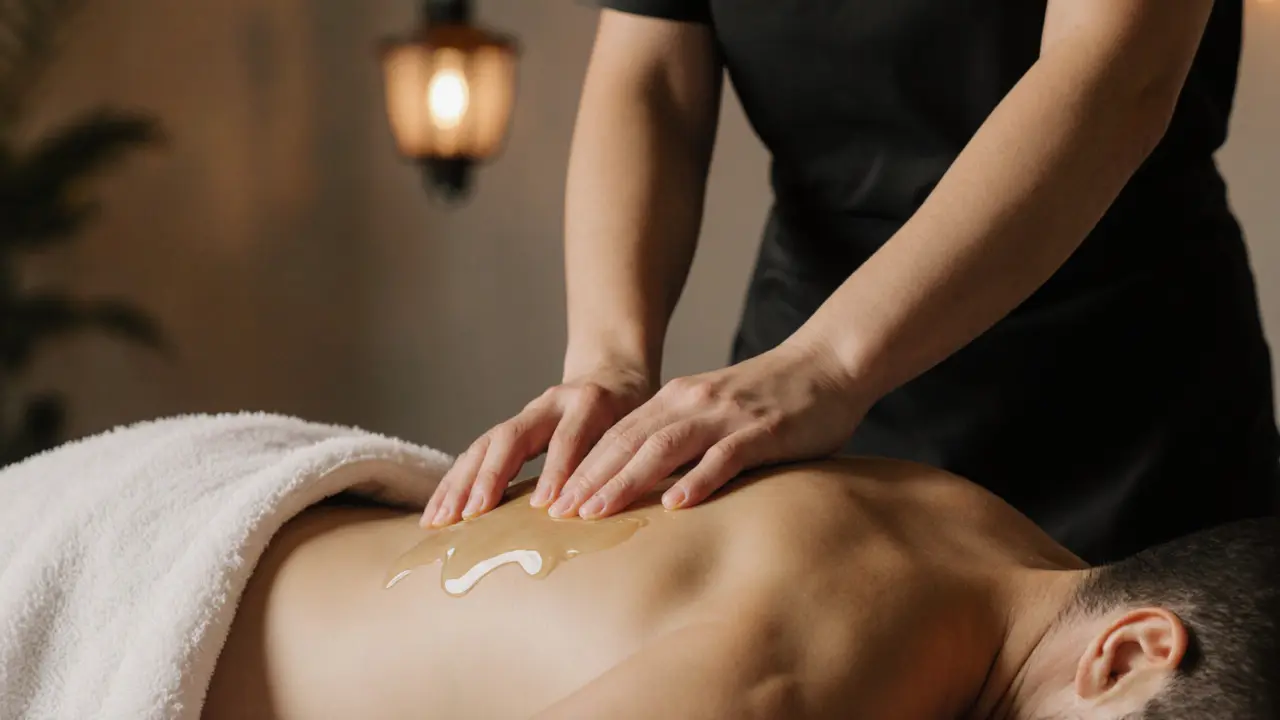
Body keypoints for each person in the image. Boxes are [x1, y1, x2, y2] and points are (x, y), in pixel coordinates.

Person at [422, 0, 1280, 563]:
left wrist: (832, 367)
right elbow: (651, 70)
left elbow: (1113, 74)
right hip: (810, 400)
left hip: (1122, 396)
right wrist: (607, 361)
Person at [204, 458, 1280, 718]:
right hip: (161, 625)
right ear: (1129, 651)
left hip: (262, 517)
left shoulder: (978, 530)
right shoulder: (812, 675)